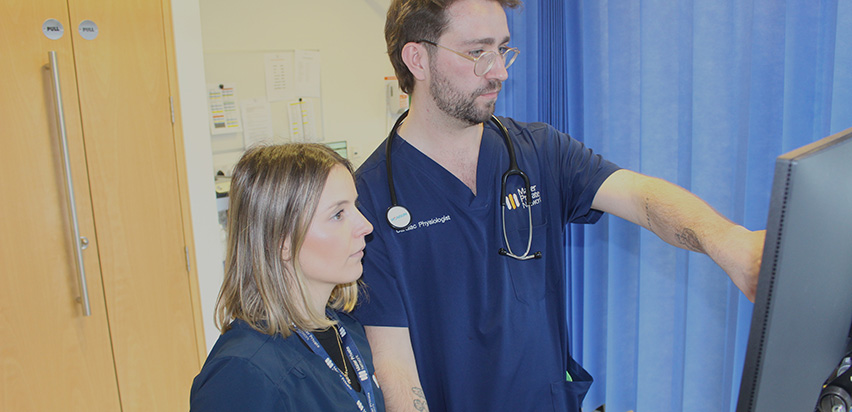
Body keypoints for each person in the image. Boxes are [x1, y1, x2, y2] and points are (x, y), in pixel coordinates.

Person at [351, 0, 766, 411]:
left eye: (502, 49)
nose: (500, 71)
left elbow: (643, 199)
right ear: (417, 58)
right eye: (477, 52)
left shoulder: (538, 150)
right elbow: (394, 369)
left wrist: (727, 241)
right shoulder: (367, 199)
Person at [190, 144, 385, 412]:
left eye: (355, 206)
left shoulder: (345, 330)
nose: (366, 225)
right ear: (281, 241)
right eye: (338, 214)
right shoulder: (243, 373)